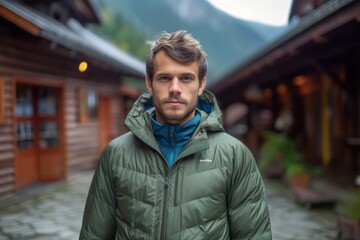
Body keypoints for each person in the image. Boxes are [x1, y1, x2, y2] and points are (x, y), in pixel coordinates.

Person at [79, 30, 272, 240]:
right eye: (164, 78)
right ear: (149, 83)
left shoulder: (234, 156)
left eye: (186, 78)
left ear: (201, 85)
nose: (175, 88)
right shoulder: (116, 154)